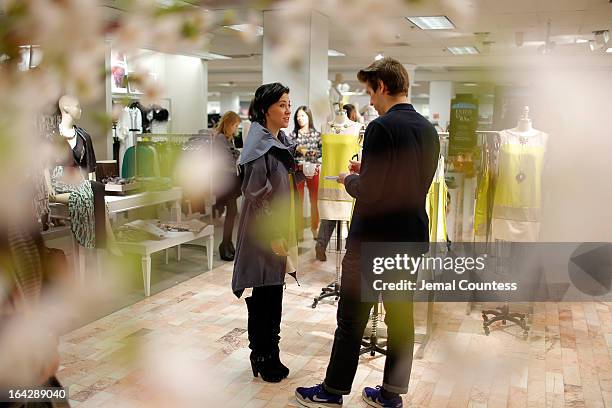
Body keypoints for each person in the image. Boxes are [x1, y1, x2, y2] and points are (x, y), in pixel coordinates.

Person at [296, 57, 440, 407]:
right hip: (410, 238)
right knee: (401, 317)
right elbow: (410, 181)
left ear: (383, 87)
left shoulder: (380, 127)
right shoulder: (428, 129)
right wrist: (370, 169)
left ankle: (332, 392)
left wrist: (350, 178)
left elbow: (372, 192)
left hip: (374, 240)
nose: (369, 101)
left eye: (370, 92)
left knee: (351, 319)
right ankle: (391, 395)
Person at [232, 82, 297, 383]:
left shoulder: (276, 139)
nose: (288, 110)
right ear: (265, 109)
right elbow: (256, 193)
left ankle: (272, 353)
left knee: (274, 290)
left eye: (288, 104)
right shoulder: (258, 146)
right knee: (264, 292)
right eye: (282, 104)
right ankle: (260, 354)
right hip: (264, 231)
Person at [213, 111, 242, 261]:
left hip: (229, 178)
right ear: (229, 124)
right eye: (235, 125)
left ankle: (227, 243)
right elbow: (227, 159)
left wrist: (235, 154)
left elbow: (233, 155)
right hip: (224, 180)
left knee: (232, 213)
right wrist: (236, 154)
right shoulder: (219, 138)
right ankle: (224, 244)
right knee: (232, 212)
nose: (236, 129)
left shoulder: (228, 139)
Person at [291, 106, 322, 241]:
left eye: (302, 116)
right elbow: (290, 152)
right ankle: (299, 231)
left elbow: (320, 152)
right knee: (298, 201)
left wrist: (303, 151)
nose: (300, 119)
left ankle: (315, 228)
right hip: (298, 170)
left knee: (315, 201)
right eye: (298, 116)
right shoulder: (292, 135)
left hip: (313, 170)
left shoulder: (316, 135)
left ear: (309, 117)